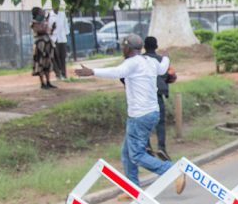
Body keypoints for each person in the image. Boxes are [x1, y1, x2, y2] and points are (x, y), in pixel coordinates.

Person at [75, 34, 185, 194]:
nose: (122, 50)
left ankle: (172, 171)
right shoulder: (150, 61)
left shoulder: (132, 63)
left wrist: (92, 71)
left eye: (123, 47)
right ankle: (132, 190)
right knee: (126, 153)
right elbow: (163, 67)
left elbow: (116, 71)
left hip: (139, 117)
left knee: (137, 155)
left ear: (128, 48)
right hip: (152, 112)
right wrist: (167, 57)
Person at [143, 36, 173, 158]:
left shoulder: (140, 60)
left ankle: (147, 145)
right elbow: (171, 76)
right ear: (156, 47)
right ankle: (161, 148)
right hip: (158, 95)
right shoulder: (161, 60)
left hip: (144, 96)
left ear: (144, 47)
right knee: (160, 122)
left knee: (145, 121)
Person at [30, 7, 57, 90]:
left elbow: (49, 32)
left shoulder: (44, 22)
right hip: (40, 45)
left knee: (47, 63)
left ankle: (48, 82)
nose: (43, 13)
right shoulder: (34, 22)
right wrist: (46, 24)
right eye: (41, 12)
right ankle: (42, 83)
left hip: (47, 44)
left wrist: (52, 28)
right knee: (40, 63)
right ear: (37, 13)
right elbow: (40, 31)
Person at [49, 2, 69, 80]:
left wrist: (66, 34)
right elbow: (48, 27)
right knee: (54, 56)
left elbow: (65, 24)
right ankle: (58, 73)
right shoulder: (49, 15)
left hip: (62, 38)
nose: (56, 7)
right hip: (53, 39)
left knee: (62, 56)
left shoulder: (62, 14)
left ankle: (63, 73)